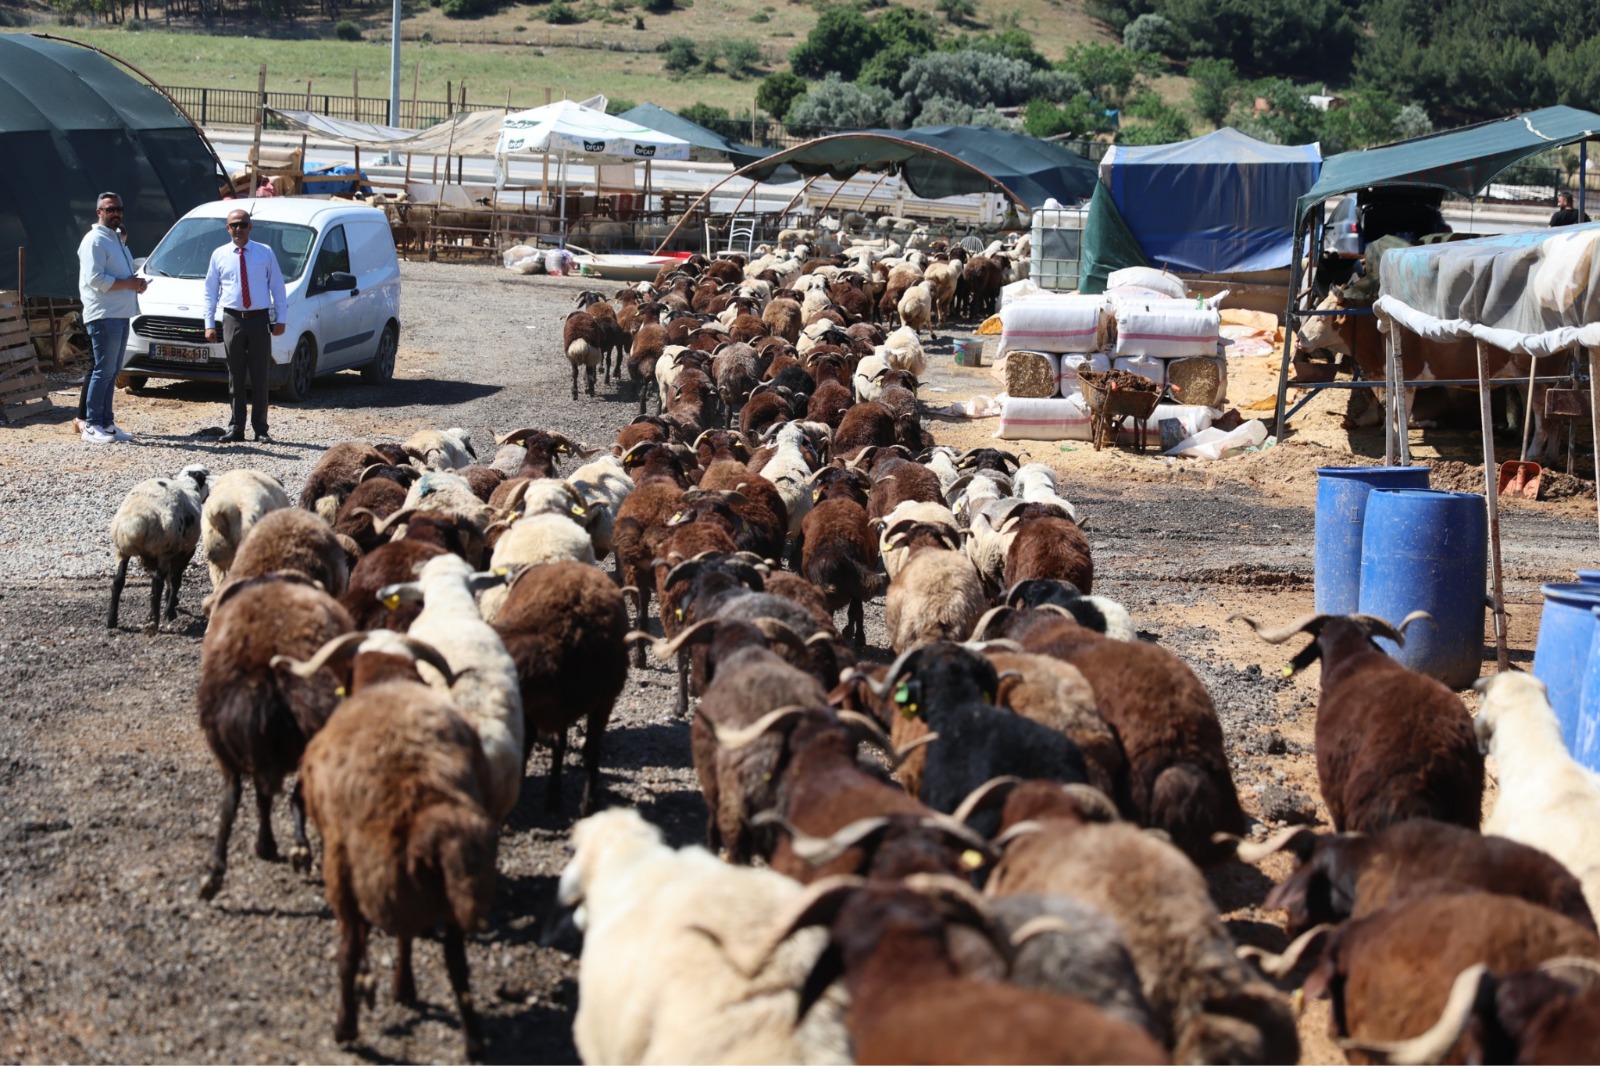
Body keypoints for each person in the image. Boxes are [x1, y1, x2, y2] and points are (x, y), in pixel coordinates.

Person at [203, 208, 286, 443]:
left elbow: (277, 286)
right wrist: (209, 323)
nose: (238, 229)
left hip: (259, 319)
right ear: (227, 228)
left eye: (242, 224)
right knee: (235, 375)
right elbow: (210, 291)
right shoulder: (219, 255)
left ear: (250, 227)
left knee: (260, 375)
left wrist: (281, 318)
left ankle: (260, 428)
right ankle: (236, 427)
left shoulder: (265, 252)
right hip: (232, 319)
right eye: (233, 225)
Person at [76, 192, 146, 443]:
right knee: (103, 370)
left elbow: (122, 275)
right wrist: (128, 283)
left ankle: (107, 422)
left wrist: (135, 284)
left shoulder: (115, 239)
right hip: (104, 314)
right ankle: (92, 424)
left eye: (119, 208)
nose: (116, 213)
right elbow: (95, 279)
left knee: (113, 370)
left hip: (121, 313)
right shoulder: (95, 240)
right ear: (99, 212)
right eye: (110, 209)